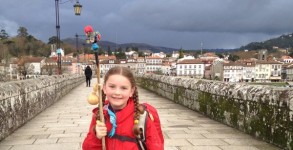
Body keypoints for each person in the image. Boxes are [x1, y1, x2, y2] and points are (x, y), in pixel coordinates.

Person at [82, 66, 164, 150]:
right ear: (104, 88)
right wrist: (96, 137)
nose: (117, 92)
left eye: (124, 88)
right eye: (112, 86)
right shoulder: (99, 115)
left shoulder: (142, 116)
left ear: (131, 91)